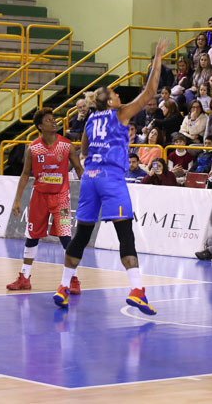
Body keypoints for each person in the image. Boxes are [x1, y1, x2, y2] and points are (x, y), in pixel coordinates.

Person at [53, 38, 167, 313]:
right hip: (110, 178)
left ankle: (63, 286)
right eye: (116, 93)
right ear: (111, 101)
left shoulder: (91, 119)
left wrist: (83, 160)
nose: (120, 96)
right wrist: (158, 57)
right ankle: (137, 290)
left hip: (90, 177)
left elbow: (83, 144)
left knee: (81, 234)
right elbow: (151, 90)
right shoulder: (120, 114)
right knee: (125, 234)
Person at [6, 108, 84, 291]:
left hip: (62, 198)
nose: (54, 122)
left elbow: (80, 170)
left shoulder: (66, 146)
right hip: (39, 198)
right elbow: (25, 175)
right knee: (32, 236)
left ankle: (74, 280)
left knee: (66, 237)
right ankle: (24, 277)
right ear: (40, 126)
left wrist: (92, 191)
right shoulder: (33, 148)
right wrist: (17, 200)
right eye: (49, 120)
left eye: (54, 119)